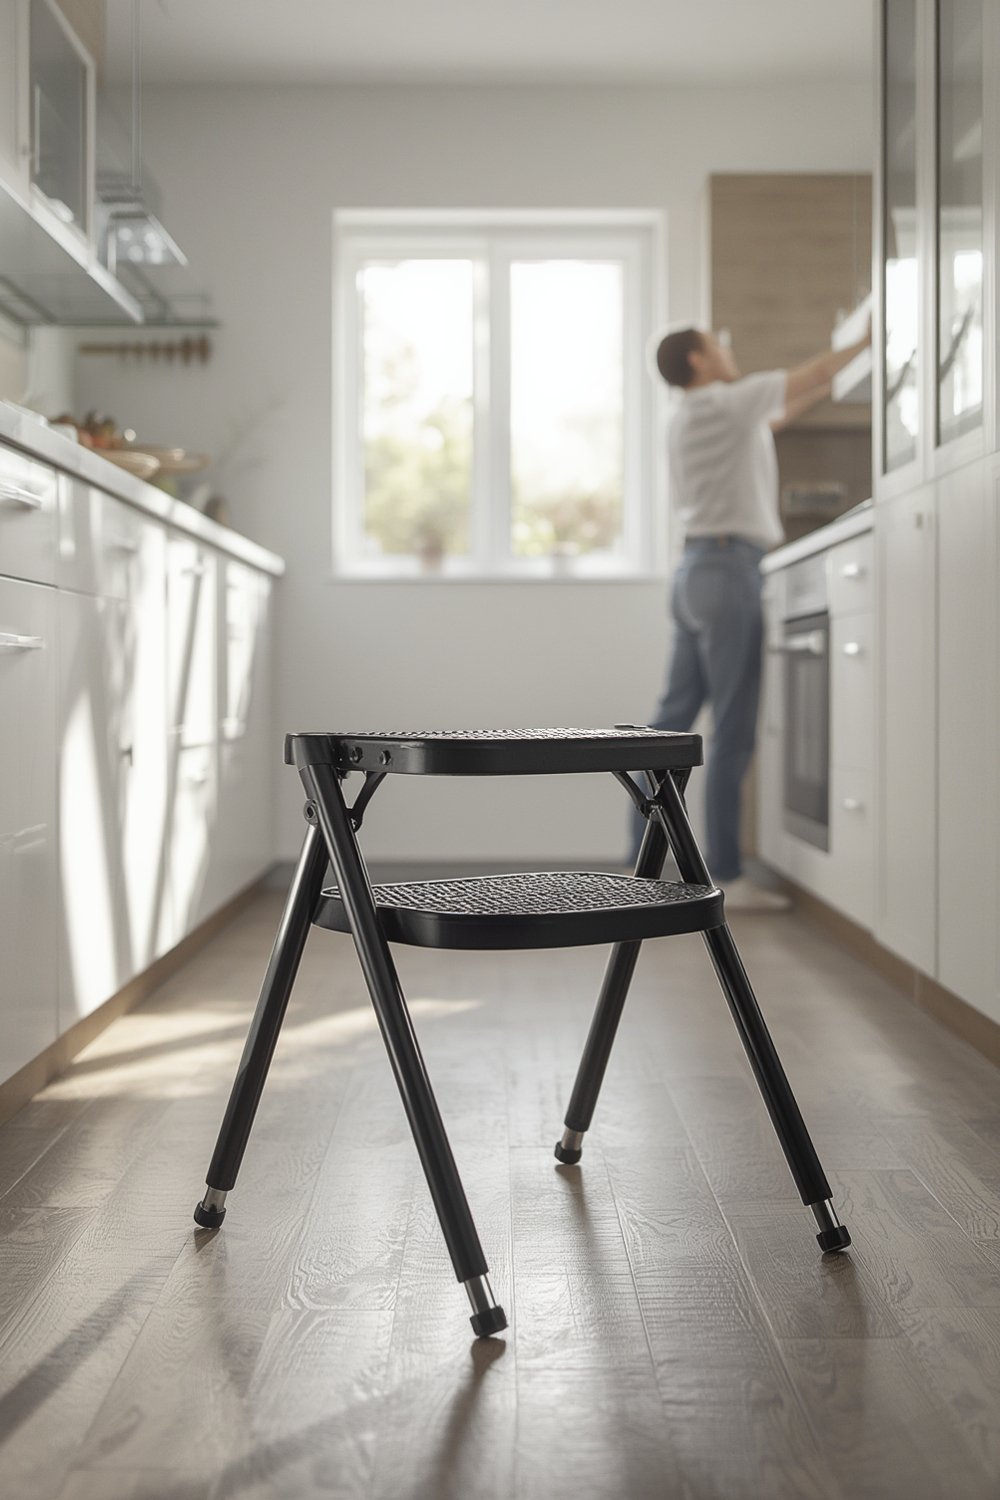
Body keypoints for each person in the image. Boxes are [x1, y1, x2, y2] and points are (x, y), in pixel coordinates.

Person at [631, 322, 871, 910]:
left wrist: (832, 381)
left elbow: (783, 412)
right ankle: (728, 878)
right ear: (699, 358)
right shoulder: (722, 400)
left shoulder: (694, 415)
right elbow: (806, 375)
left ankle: (643, 874)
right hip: (727, 569)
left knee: (665, 730)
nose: (729, 352)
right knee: (732, 731)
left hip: (692, 573)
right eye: (720, 345)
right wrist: (873, 336)